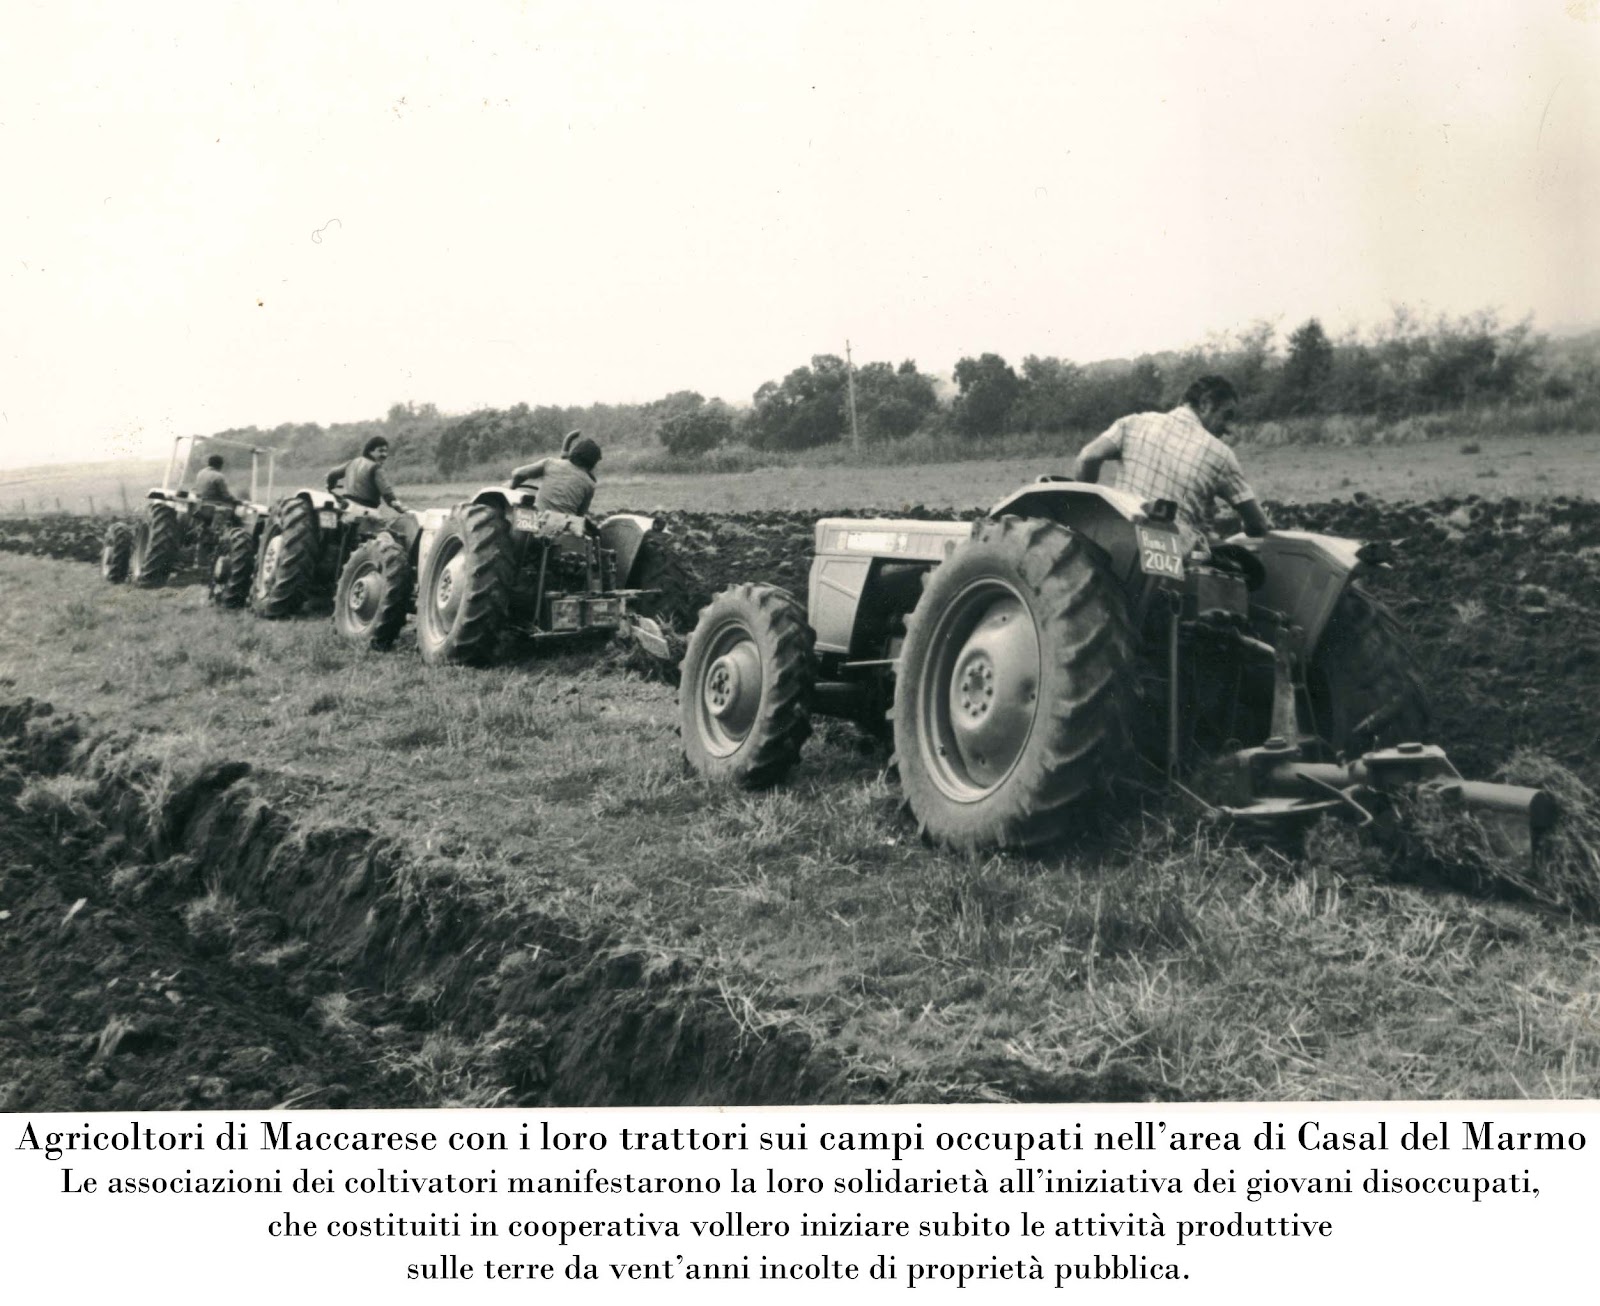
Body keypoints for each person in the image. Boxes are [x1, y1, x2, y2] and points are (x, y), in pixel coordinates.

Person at [1071, 374, 1270, 548]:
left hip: (1120, 537)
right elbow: (1259, 524)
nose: (1229, 429)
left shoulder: (1133, 423)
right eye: (1226, 416)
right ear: (1206, 404)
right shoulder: (1221, 454)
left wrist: (1086, 513)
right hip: (1178, 554)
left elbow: (1088, 456)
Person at [509, 434, 602, 516]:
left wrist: (511, 488)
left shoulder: (550, 463)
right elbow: (580, 514)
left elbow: (517, 473)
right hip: (565, 528)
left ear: (575, 452)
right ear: (592, 462)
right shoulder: (590, 484)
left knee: (518, 515)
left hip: (538, 519)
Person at [327, 436, 409, 513]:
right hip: (366, 511)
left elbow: (331, 474)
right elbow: (387, 493)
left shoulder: (352, 462)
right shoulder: (375, 467)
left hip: (346, 508)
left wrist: (331, 489)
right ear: (370, 451)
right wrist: (399, 508)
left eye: (386, 451)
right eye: (380, 451)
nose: (384, 455)